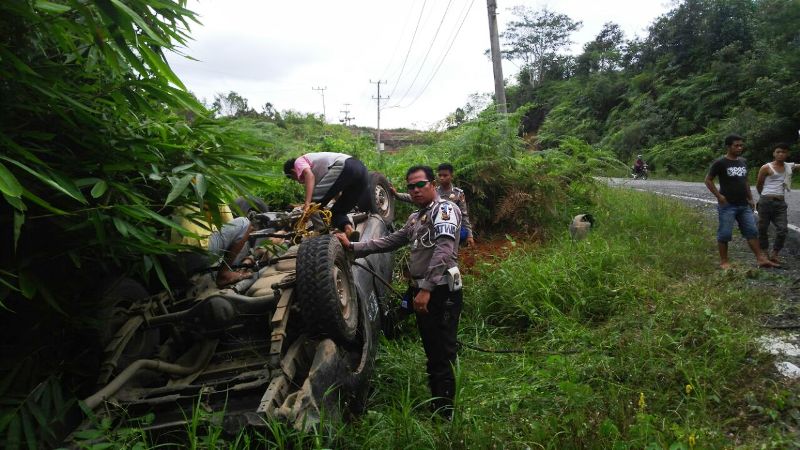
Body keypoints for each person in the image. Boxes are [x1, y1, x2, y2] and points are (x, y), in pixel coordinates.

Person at [336, 165, 463, 418]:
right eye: (410, 187)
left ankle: (445, 413)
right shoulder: (416, 218)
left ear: (432, 185)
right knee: (431, 348)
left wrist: (425, 289)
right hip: (423, 290)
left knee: (442, 351)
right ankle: (438, 401)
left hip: (440, 292)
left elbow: (444, 251)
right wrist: (354, 246)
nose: (415, 190)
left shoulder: (445, 210)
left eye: (420, 185)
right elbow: (390, 241)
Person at [705, 134, 777, 269]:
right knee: (725, 233)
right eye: (736, 145)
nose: (739, 148)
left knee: (751, 231)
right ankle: (724, 261)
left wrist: (750, 198)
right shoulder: (720, 163)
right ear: (728, 146)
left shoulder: (742, 162)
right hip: (727, 205)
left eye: (741, 145)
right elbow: (708, 180)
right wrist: (719, 197)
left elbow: (745, 181)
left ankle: (761, 259)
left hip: (743, 204)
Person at [283, 152, 369, 238]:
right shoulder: (320, 169)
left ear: (293, 171)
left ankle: (322, 233)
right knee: (337, 212)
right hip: (362, 171)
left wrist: (307, 202)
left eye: (294, 178)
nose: (298, 181)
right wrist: (340, 201)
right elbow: (335, 188)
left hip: (345, 166)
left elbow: (309, 175)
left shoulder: (298, 161)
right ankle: (349, 230)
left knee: (312, 205)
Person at [391, 162, 475, 246]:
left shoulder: (458, 194)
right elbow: (411, 197)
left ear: (452, 176)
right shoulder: (433, 190)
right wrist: (397, 195)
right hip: (431, 228)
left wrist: (470, 235)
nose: (442, 178)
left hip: (451, 228)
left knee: (452, 243)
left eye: (445, 175)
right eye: (440, 175)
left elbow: (464, 215)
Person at [755, 143, 794, 264]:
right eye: (778, 152)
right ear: (774, 153)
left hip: (780, 203)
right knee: (762, 228)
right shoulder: (766, 167)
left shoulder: (789, 166)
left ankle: (775, 253)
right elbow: (759, 184)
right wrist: (763, 198)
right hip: (766, 201)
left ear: (787, 154)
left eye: (783, 152)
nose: (781, 154)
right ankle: (764, 252)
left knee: (782, 229)